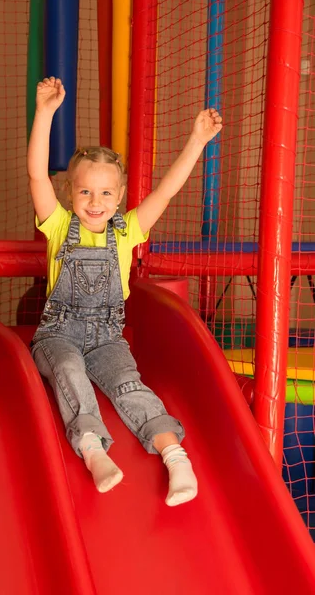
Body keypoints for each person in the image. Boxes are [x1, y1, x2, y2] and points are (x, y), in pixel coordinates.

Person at [28, 76, 222, 506]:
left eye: (105, 193)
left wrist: (197, 140)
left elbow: (167, 192)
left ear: (118, 198)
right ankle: (94, 449)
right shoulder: (60, 226)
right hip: (57, 333)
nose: (94, 201)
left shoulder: (127, 230)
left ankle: (174, 454)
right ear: (71, 193)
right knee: (69, 373)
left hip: (107, 336)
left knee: (129, 384)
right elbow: (37, 175)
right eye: (84, 191)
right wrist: (44, 113)